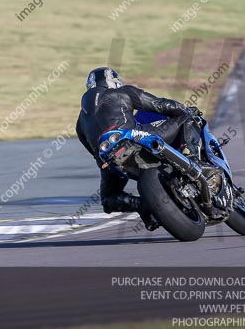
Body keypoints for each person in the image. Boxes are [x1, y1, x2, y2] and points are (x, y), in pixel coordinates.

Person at [75, 67, 203, 231]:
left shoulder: (80, 122)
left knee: (108, 200)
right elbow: (160, 105)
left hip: (109, 157)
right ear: (114, 81)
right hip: (135, 138)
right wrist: (184, 109)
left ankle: (142, 205)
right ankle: (192, 158)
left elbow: (93, 153)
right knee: (186, 117)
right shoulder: (123, 92)